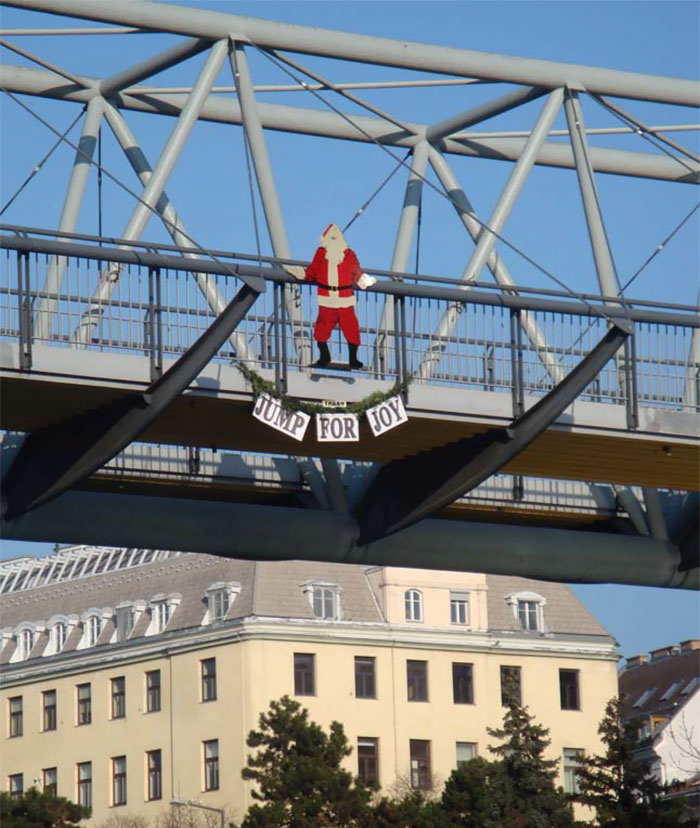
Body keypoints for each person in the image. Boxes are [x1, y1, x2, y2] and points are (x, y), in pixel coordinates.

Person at [286, 223, 376, 368]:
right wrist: (297, 272)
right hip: (327, 299)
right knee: (321, 330)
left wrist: (365, 280)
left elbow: (355, 272)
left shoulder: (349, 254)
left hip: (344, 299)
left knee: (351, 329)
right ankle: (324, 356)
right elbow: (313, 272)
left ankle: (353, 359)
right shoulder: (321, 254)